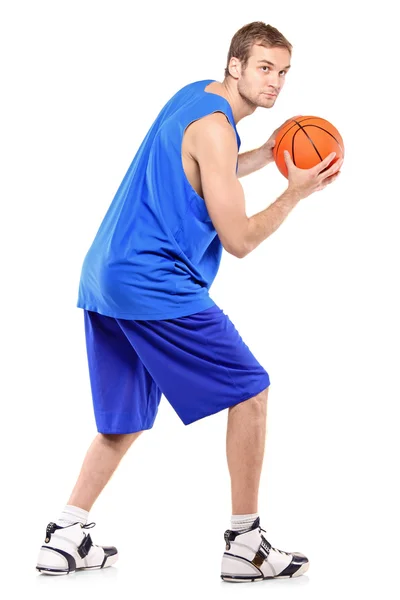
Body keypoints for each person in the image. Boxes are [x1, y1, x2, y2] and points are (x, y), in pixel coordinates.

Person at [36, 21, 342, 581]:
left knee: (121, 420)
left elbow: (211, 167)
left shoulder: (197, 97)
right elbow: (241, 240)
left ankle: (66, 534)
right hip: (153, 282)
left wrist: (270, 154)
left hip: (106, 274)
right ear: (235, 66)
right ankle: (244, 543)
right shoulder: (218, 130)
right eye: (264, 69)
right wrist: (295, 192)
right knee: (251, 392)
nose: (275, 83)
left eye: (283, 72)